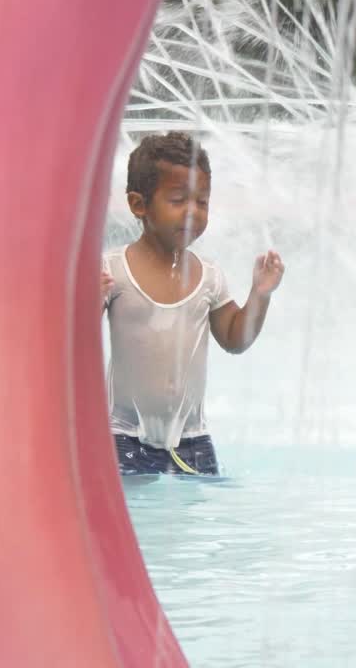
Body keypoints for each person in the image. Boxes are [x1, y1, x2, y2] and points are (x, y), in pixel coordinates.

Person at [100, 131, 284, 476]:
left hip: (193, 441)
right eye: (178, 200)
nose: (193, 213)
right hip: (125, 438)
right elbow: (75, 342)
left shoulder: (209, 277)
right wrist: (90, 302)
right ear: (139, 204)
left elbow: (235, 340)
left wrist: (259, 295)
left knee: (193, 521)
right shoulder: (113, 270)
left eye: (202, 202)